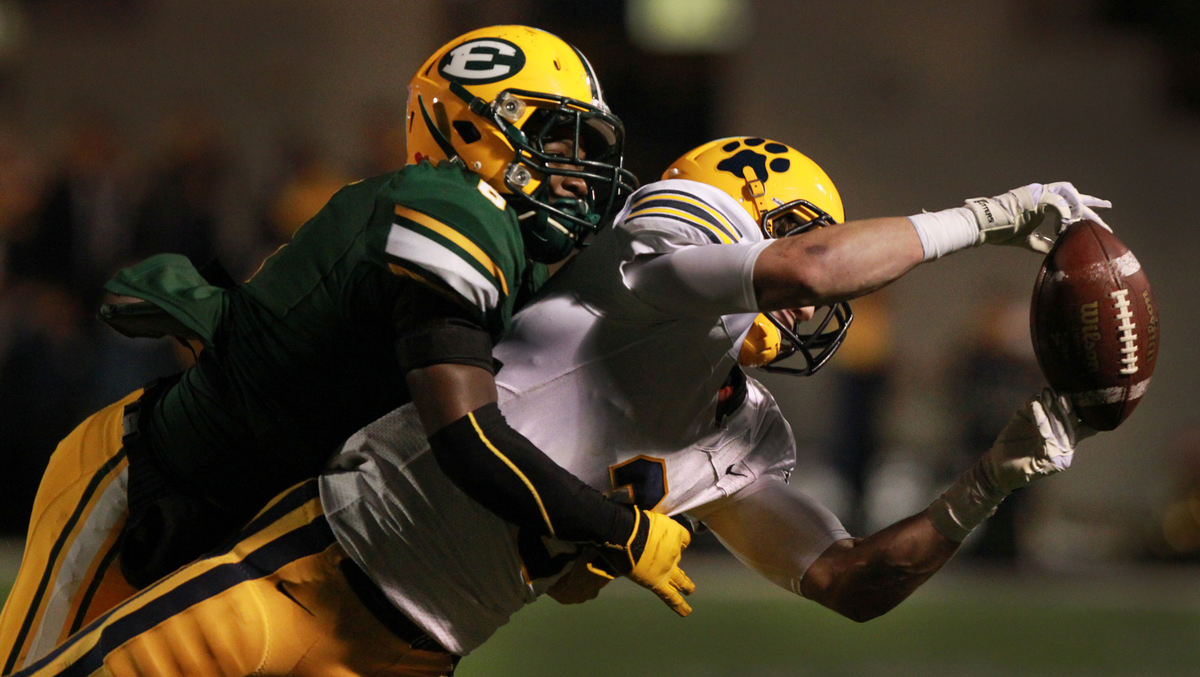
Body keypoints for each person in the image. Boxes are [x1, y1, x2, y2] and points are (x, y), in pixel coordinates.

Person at [11, 137, 1106, 676]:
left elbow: (846, 580)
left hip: (413, 655)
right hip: (305, 569)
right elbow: (815, 268)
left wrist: (1000, 472)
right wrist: (996, 214)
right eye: (792, 229)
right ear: (745, 213)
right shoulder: (654, 254)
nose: (839, 291)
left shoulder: (741, 425)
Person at [0, 24, 672, 674]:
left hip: (246, 528)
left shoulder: (513, 260)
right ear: (473, 125)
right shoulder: (455, 207)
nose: (577, 175)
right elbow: (466, 436)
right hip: (148, 490)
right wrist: (612, 527)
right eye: (556, 139)